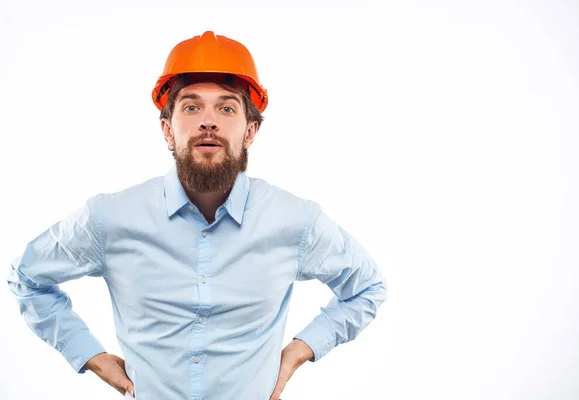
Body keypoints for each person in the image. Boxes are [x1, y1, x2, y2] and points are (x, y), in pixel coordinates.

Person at [7, 31, 387, 400]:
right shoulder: (109, 218)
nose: (209, 121)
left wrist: (298, 352)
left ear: (250, 131)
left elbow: (367, 288)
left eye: (226, 107)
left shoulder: (296, 221)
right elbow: (27, 276)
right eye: (191, 107)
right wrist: (88, 354)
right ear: (167, 130)